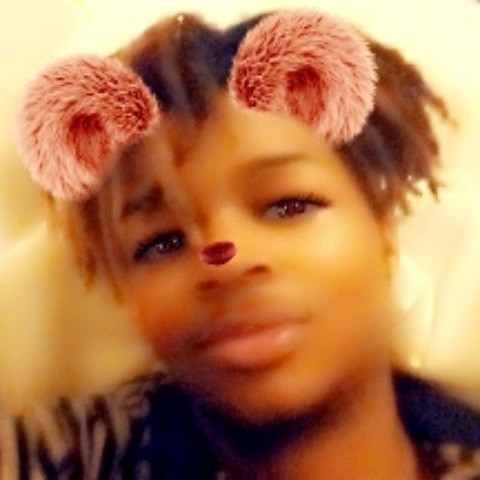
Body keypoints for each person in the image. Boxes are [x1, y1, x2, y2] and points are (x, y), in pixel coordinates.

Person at [6, 8, 480, 479]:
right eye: (162, 242)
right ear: (123, 290)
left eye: (288, 206)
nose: (226, 260)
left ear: (382, 228)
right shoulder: (70, 455)